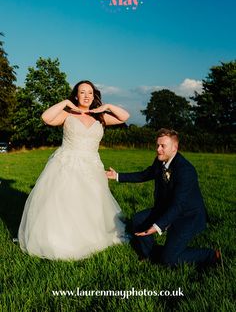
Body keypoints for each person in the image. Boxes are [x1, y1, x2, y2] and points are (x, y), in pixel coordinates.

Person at [18, 80, 130, 260]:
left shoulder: (100, 117)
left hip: (92, 164)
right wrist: (66, 103)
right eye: (82, 92)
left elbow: (124, 116)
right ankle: (61, 239)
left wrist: (107, 106)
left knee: (91, 203)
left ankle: (91, 237)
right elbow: (46, 118)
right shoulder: (67, 114)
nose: (86, 96)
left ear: (94, 96)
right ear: (76, 95)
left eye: (90, 93)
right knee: (65, 201)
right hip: (67, 163)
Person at [106, 128, 221, 267]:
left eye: (163, 146)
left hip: (188, 216)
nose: (158, 149)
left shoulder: (186, 170)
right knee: (138, 220)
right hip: (167, 209)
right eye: (157, 145)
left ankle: (210, 255)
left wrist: (157, 226)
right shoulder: (160, 161)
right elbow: (146, 174)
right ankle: (149, 254)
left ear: (175, 148)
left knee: (169, 260)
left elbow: (178, 205)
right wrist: (118, 176)